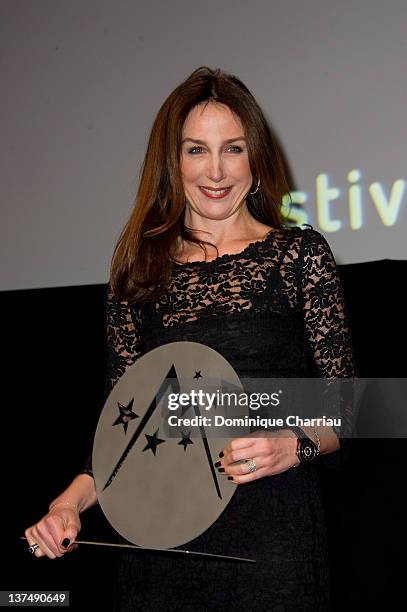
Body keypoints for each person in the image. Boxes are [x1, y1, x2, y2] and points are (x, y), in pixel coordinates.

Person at [25, 66, 357, 610]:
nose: (217, 171)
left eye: (233, 148)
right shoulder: (137, 271)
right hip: (159, 547)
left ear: (255, 159)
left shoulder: (298, 255)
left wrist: (291, 444)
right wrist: (68, 504)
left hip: (271, 540)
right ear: (172, 162)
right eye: (196, 150)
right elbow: (121, 431)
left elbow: (352, 406)